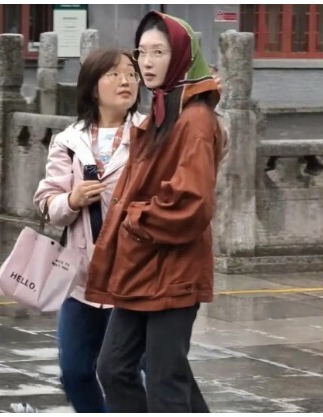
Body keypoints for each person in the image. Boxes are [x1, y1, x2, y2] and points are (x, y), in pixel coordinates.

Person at [85, 11, 225, 412]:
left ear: (181, 56)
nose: (146, 63)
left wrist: (134, 219)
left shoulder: (195, 119)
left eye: (158, 52)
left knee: (165, 380)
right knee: (114, 367)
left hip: (173, 269)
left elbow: (191, 202)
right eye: (141, 52)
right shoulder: (164, 109)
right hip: (141, 266)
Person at [33, 48, 145, 412]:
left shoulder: (151, 135)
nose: (125, 81)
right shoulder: (69, 141)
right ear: (92, 87)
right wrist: (72, 199)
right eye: (114, 74)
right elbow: (47, 202)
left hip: (134, 277)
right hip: (80, 279)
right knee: (75, 372)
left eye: (131, 74)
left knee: (127, 371)